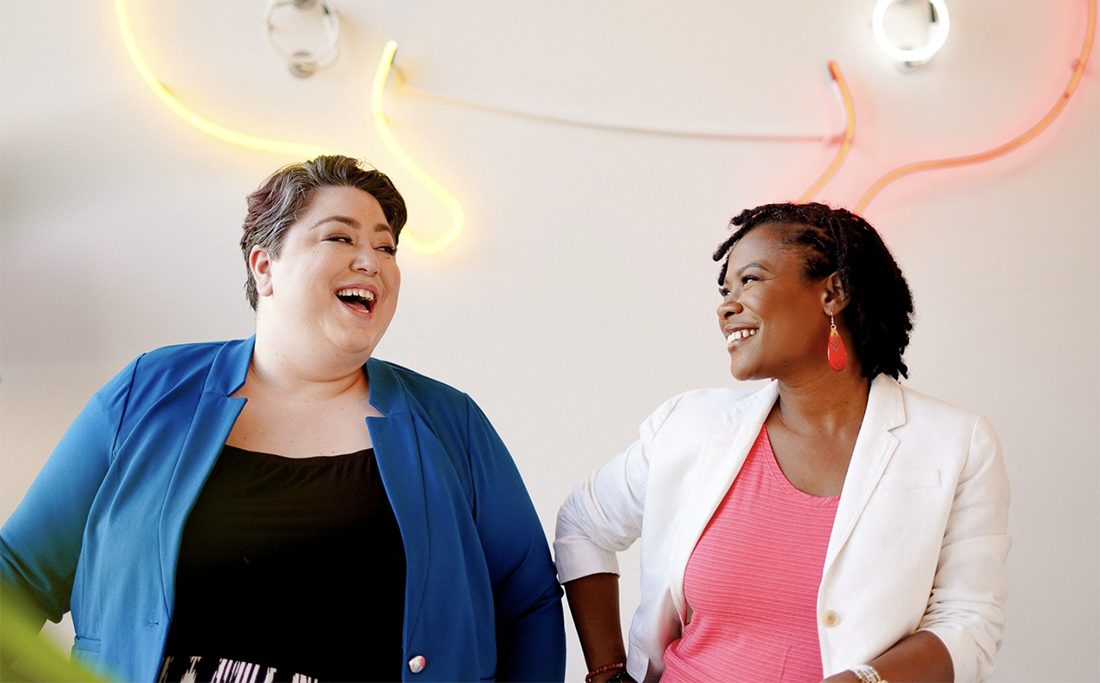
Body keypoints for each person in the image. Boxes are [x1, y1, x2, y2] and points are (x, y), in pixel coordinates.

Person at [0, 155, 565, 683]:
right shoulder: (147, 391)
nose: (372, 260)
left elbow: (527, 600)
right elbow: (18, 577)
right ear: (264, 265)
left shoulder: (451, 424)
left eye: (387, 248)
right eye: (341, 236)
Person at [555, 203, 1009, 683]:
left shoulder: (956, 442)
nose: (726, 305)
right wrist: (606, 672)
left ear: (834, 292)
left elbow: (969, 624)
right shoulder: (687, 426)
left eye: (750, 280)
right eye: (724, 290)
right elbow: (583, 525)